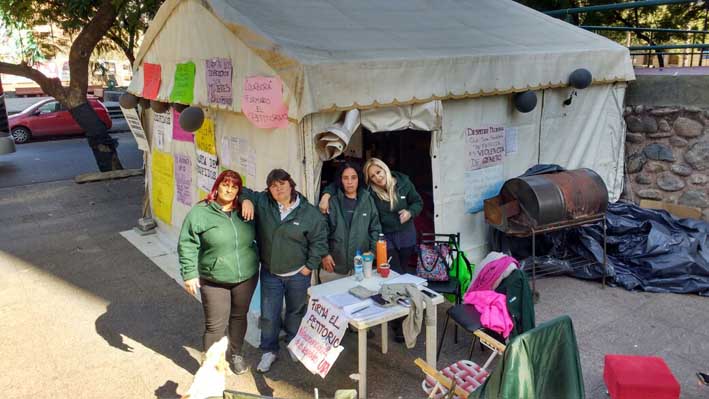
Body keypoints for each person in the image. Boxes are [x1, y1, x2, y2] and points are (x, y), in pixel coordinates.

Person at [240, 168, 328, 374]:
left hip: (299, 273)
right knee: (269, 315)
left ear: (291, 184)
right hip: (271, 273)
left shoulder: (308, 212)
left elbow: (319, 241)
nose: (278, 189)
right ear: (268, 189)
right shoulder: (263, 202)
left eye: (282, 184)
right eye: (273, 186)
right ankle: (269, 350)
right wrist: (246, 200)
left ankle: (293, 342)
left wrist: (309, 268)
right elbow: (242, 189)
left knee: (295, 311)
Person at [177, 170, 258, 375]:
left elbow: (263, 195)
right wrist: (189, 273)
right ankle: (210, 364)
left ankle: (236, 354)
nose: (229, 189)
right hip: (215, 279)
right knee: (215, 324)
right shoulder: (201, 212)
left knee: (239, 317)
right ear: (217, 186)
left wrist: (247, 198)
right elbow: (187, 243)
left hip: (245, 277)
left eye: (234, 186)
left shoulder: (244, 209)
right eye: (225, 184)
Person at [320, 157, 423, 274]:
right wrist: (326, 195)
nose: (377, 178)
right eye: (372, 176)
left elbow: (418, 202)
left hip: (406, 234)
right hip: (386, 236)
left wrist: (410, 212)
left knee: (406, 269)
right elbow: (344, 183)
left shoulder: (403, 183)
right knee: (394, 271)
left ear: (384, 169)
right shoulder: (369, 190)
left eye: (378, 172)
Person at [321, 162, 382, 283]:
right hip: (333, 267)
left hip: (362, 267)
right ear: (340, 180)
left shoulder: (367, 200)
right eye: (345, 178)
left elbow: (376, 229)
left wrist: (373, 252)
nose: (350, 182)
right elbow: (320, 231)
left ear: (359, 179)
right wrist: (324, 254)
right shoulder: (332, 202)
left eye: (353, 177)